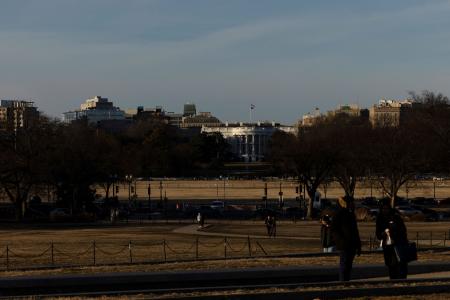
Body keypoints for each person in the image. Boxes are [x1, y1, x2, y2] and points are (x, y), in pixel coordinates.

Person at [376, 198, 408, 279]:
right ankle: (393, 278)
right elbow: (377, 234)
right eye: (383, 208)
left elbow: (403, 230)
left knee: (400, 263)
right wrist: (382, 234)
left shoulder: (396, 217)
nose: (385, 210)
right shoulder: (379, 218)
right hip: (387, 245)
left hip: (398, 244)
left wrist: (394, 230)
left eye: (386, 208)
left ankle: (401, 278)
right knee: (390, 264)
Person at [331, 196, 361, 281]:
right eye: (351, 203)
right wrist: (341, 241)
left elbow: (355, 231)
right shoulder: (339, 214)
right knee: (344, 265)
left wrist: (358, 245)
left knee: (348, 266)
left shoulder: (351, 214)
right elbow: (334, 229)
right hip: (344, 245)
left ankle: (346, 281)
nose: (353, 204)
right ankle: (343, 282)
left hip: (352, 244)